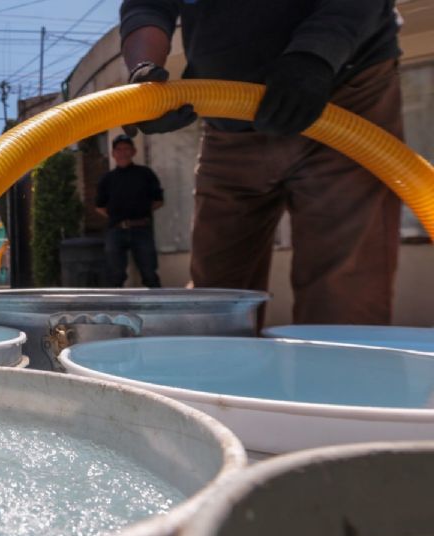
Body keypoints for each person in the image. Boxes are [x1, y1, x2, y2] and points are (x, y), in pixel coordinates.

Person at [119, 0, 401, 324]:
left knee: (343, 297)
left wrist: (316, 54)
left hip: (343, 92)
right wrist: (144, 74)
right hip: (229, 114)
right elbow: (149, 4)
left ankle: (341, 370)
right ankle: (220, 372)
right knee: (216, 300)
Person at [95, 134, 164, 288]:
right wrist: (118, 217)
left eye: (127, 148)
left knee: (149, 274)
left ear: (133, 151)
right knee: (115, 276)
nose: (123, 152)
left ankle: (158, 308)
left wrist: (141, 212)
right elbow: (99, 206)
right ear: (113, 153)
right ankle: (115, 310)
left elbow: (158, 201)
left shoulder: (145, 174)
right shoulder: (107, 179)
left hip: (142, 229)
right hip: (116, 231)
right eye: (118, 149)